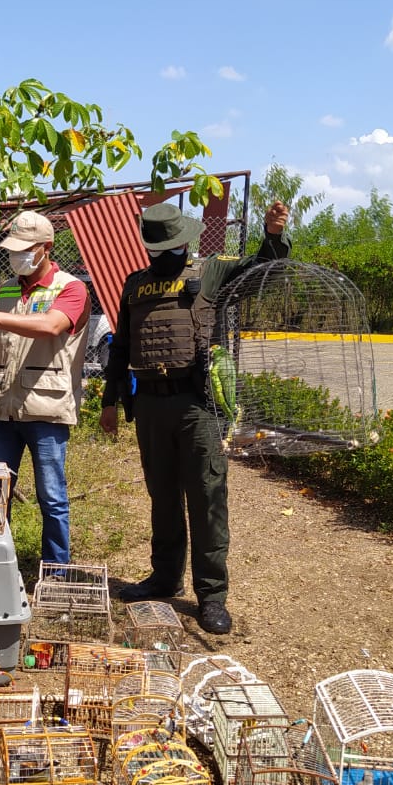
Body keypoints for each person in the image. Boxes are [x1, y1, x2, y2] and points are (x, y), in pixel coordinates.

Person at [98, 200, 291, 635]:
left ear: (184, 240)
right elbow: (121, 347)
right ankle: (165, 578)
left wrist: (274, 237)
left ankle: (212, 596)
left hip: (196, 404)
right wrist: (110, 400)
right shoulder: (135, 285)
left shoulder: (211, 273)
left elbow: (264, 269)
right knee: (162, 497)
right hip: (149, 405)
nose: (163, 253)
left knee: (206, 500)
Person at [0, 210, 91, 564]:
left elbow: (51, 327)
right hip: (2, 407)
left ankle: (56, 569)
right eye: (13, 249)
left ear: (46, 248)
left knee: (51, 496)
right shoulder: (7, 291)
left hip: (45, 409)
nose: (16, 256)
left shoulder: (71, 288)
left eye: (25, 249)